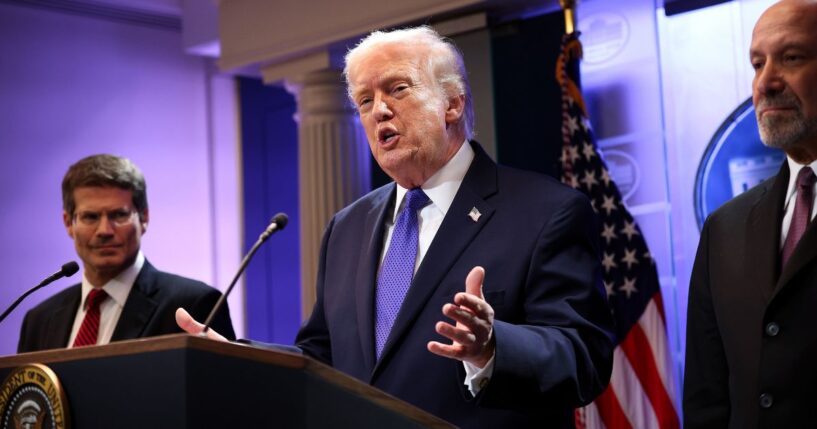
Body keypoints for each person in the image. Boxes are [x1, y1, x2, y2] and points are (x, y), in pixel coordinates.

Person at [178, 26, 613, 428]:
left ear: (452, 103)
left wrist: (492, 346)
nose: (379, 110)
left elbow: (584, 359)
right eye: (365, 101)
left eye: (397, 90)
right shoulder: (347, 228)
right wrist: (241, 359)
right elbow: (324, 358)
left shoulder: (546, 212)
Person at [683, 1, 817, 427]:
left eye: (791, 58)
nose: (766, 82)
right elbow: (707, 398)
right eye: (758, 64)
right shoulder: (725, 228)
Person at [17, 154, 235, 353]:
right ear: (68, 223)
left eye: (119, 215)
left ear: (144, 218)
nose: (104, 231)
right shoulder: (39, 320)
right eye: (90, 217)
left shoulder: (195, 304)